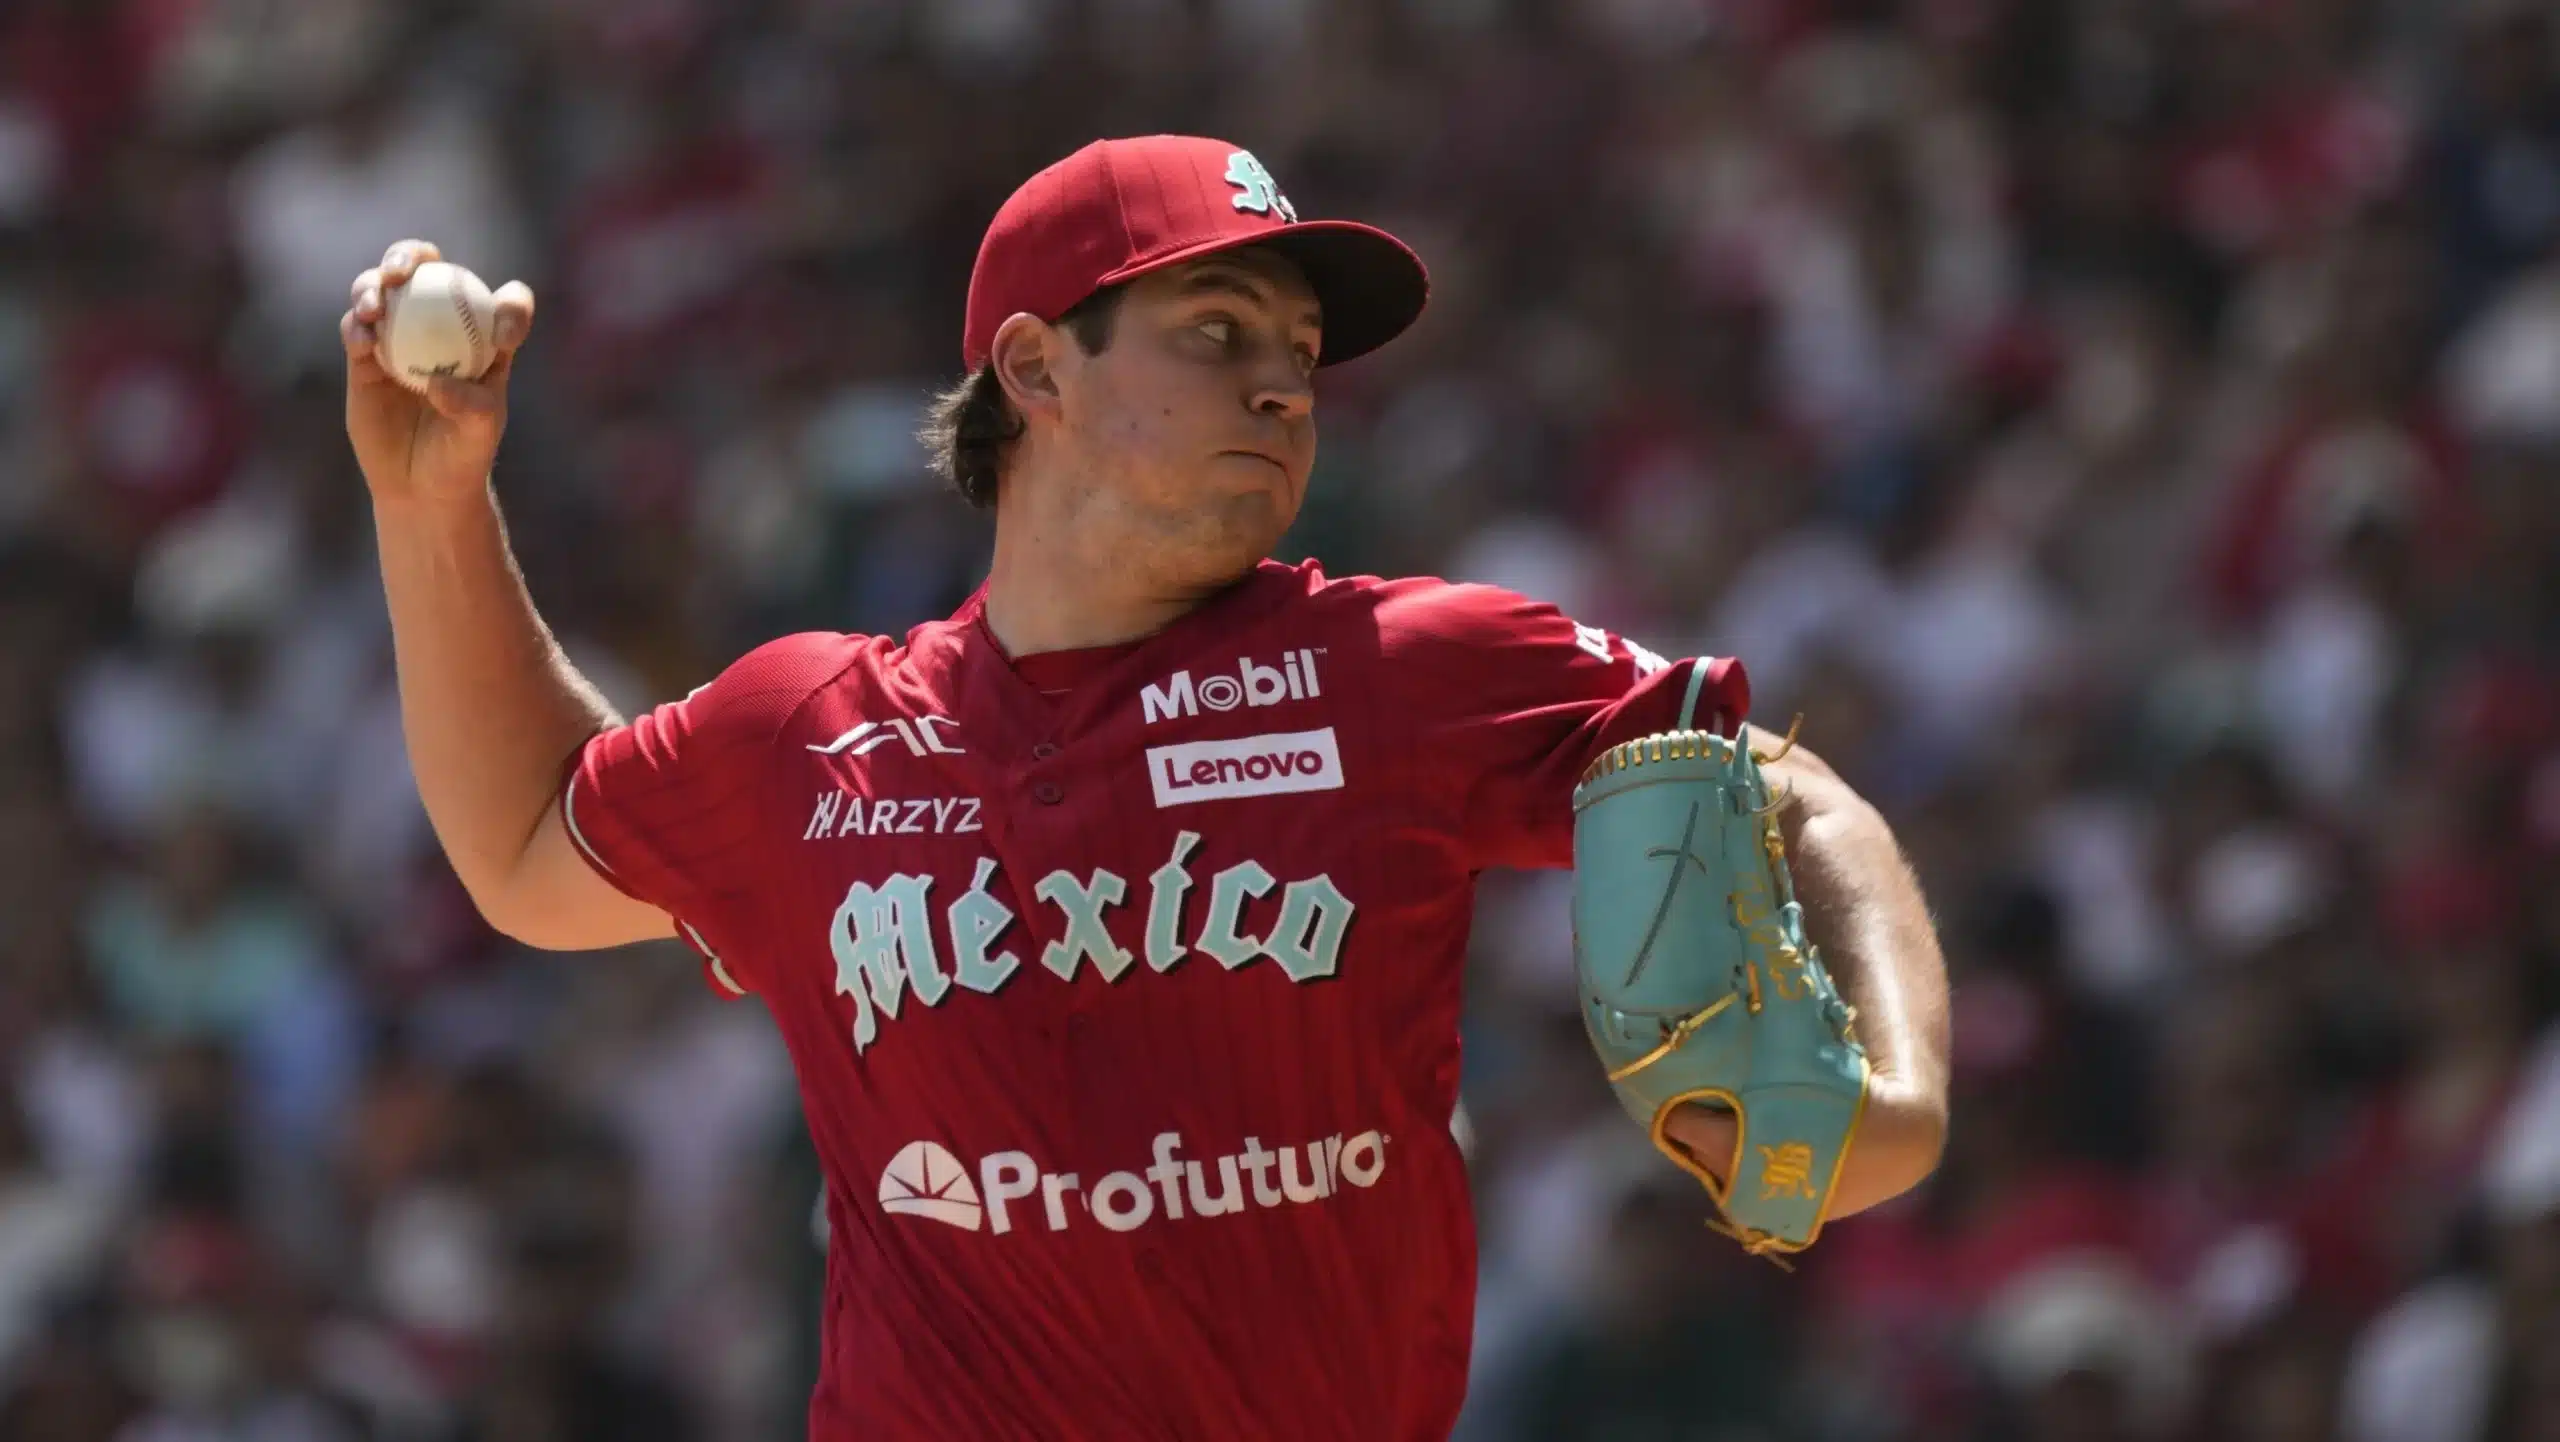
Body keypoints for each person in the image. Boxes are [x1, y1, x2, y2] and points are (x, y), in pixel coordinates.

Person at [338, 134, 1951, 1441]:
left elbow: (1782, 786)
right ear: (1035, 369)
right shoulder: (811, 734)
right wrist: (433, 508)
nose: (1285, 385)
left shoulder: (1400, 669)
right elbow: (530, 840)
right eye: (1219, 333)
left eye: (1301, 352)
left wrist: (1900, 1083)